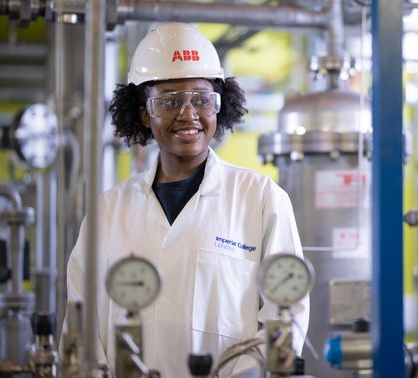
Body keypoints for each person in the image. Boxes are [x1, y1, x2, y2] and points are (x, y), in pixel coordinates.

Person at [65, 22, 309, 377]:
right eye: (169, 101)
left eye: (201, 99)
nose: (188, 114)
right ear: (144, 113)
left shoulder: (261, 200)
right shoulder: (107, 211)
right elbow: (80, 324)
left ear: (219, 107)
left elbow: (287, 317)